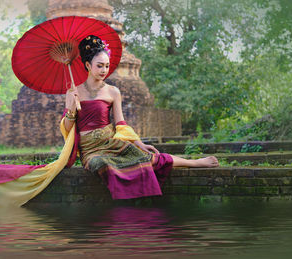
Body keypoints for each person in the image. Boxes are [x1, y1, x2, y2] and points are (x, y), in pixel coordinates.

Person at [61, 35, 219, 199]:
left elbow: (121, 123)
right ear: (88, 65)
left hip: (111, 143)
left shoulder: (112, 91)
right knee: (101, 164)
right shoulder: (73, 92)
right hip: (91, 150)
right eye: (99, 66)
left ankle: (194, 163)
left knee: (147, 158)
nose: (104, 70)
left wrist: (139, 143)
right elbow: (66, 129)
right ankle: (125, 203)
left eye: (107, 66)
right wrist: (71, 110)